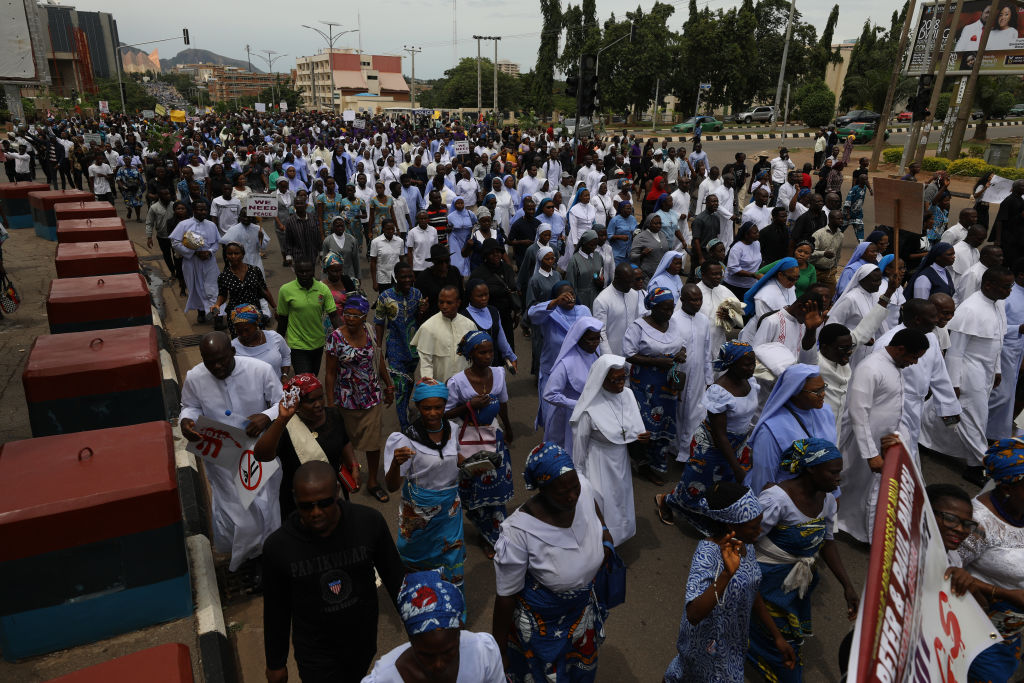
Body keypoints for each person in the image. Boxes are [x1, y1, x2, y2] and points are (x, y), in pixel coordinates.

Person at [262, 461, 404, 683]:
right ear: (294, 498)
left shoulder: (368, 523)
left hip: (362, 642)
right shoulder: (278, 547)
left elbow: (396, 579)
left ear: (337, 492)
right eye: (307, 506)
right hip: (316, 651)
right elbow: (275, 610)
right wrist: (275, 663)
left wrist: (420, 630)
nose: (316, 512)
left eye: (324, 503)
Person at [491, 443, 616, 683]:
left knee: (580, 672)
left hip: (581, 615)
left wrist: (605, 531)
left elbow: (591, 502)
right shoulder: (518, 531)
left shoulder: (583, 489)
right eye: (562, 492)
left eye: (574, 488)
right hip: (543, 629)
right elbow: (506, 594)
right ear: (542, 490)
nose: (572, 496)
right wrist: (500, 649)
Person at [749, 439, 859, 682]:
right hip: (765, 582)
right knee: (777, 644)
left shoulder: (828, 500)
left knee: (774, 635)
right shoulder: (776, 500)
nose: (838, 479)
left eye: (839, 472)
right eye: (833, 472)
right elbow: (746, 540)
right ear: (811, 469)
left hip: (795, 583)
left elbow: (827, 541)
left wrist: (847, 585)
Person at [663, 482, 796, 682]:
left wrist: (777, 636)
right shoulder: (707, 554)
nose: (759, 531)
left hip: (733, 643)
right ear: (731, 525)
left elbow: (752, 591)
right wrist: (726, 574)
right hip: (708, 647)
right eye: (753, 526)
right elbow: (693, 614)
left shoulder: (746, 546)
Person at [179, 332, 283, 570]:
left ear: (233, 352)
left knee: (265, 509)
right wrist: (187, 422)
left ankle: (267, 558)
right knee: (236, 514)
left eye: (222, 360)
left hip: (257, 453)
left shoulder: (260, 370)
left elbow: (282, 403)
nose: (217, 366)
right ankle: (248, 559)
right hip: (221, 455)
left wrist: (265, 417)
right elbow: (190, 406)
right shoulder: (195, 377)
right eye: (210, 361)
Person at [922, 268, 1015, 486]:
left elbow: (997, 341)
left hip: (987, 370)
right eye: (1005, 286)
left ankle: (919, 434)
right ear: (989, 285)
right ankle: (979, 465)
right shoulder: (970, 309)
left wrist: (998, 369)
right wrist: (952, 383)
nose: (1009, 291)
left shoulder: (998, 304)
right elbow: (956, 352)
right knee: (974, 419)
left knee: (943, 412)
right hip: (968, 373)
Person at [837, 329, 930, 542]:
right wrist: (870, 454)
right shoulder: (871, 368)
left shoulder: (894, 365)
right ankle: (850, 529)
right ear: (900, 349)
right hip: (863, 444)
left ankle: (869, 533)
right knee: (856, 487)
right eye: (913, 357)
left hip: (886, 441)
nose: (914, 363)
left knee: (875, 491)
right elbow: (858, 413)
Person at [659, 341, 759, 523]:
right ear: (731, 363)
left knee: (723, 486)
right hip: (712, 446)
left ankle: (714, 519)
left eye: (753, 362)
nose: (752, 367)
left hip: (737, 444)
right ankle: (667, 501)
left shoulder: (750, 381)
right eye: (747, 364)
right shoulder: (719, 392)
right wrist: (736, 467)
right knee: (695, 485)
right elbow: (719, 434)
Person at [384, 379, 466, 592]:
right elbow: (392, 486)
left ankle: (451, 610)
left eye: (438, 407)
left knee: (451, 559)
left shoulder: (454, 430)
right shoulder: (405, 440)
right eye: (426, 408)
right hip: (419, 515)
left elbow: (455, 460)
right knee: (416, 560)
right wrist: (396, 462)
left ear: (445, 405)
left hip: (450, 513)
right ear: (418, 407)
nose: (432, 413)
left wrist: (471, 465)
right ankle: (421, 605)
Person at [957, 439, 1024, 681]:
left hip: (1013, 631)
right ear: (1008, 487)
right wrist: (1003, 593)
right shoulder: (978, 523)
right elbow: (945, 572)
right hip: (979, 626)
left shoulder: (1020, 508)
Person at [362, 570, 505, 682]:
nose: (439, 665)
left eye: (449, 652)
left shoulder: (484, 654)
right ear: (411, 639)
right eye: (426, 655)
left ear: (460, 629)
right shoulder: (385, 678)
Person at [444, 331, 515, 553]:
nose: (487, 356)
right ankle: (486, 533)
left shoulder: (499, 374)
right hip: (470, 441)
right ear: (470, 354)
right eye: (482, 352)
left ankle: (494, 533)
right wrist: (469, 406)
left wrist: (508, 427)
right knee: (477, 489)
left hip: (494, 437)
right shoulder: (457, 382)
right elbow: (444, 414)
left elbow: (502, 403)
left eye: (490, 352)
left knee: (496, 486)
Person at [253, 374, 359, 518]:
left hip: (331, 495)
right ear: (297, 404)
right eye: (311, 401)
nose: (318, 404)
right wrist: (282, 419)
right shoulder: (285, 426)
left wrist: (353, 465)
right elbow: (261, 455)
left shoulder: (334, 415)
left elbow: (345, 441)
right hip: (299, 504)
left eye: (320, 397)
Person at [571, 355, 649, 546]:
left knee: (619, 500)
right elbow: (579, 448)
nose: (621, 383)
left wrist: (642, 438)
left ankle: (617, 538)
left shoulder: (628, 395)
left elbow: (634, 429)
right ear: (602, 380)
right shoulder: (589, 409)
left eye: (624, 377)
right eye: (616, 380)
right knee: (600, 500)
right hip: (598, 461)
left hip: (620, 460)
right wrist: (579, 478)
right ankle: (598, 543)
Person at [325, 293, 394, 505]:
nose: (350, 319)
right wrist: (330, 404)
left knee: (373, 443)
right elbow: (330, 373)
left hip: (371, 396)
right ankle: (348, 475)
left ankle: (373, 481)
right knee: (345, 442)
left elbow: (378, 357)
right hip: (345, 400)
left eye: (356, 315)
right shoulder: (335, 338)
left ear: (364, 317)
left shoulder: (371, 331)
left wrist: (388, 384)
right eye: (347, 314)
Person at [874, 299, 960, 460]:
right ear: (918, 319)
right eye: (933, 316)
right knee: (897, 453)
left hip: (916, 406)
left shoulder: (931, 338)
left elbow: (939, 375)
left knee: (910, 448)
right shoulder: (888, 342)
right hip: (894, 406)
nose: (937, 320)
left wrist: (949, 409)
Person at [623, 287, 687, 484]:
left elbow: (680, 344)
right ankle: (641, 463)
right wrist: (657, 362)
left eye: (671, 309)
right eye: (665, 309)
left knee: (664, 422)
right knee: (645, 424)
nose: (669, 313)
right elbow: (629, 354)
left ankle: (657, 462)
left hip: (667, 384)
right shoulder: (638, 327)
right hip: (645, 384)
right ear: (652, 307)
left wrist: (680, 354)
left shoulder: (673, 323)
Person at [747, 364, 837, 496]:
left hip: (820, 498)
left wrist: (835, 494)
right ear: (794, 392)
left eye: (823, 388)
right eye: (816, 391)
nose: (823, 394)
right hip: (787, 503)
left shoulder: (825, 413)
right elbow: (763, 481)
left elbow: (830, 458)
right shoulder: (770, 429)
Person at [374, 262, 426, 431]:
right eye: (403, 276)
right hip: (395, 347)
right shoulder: (385, 297)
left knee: (409, 382)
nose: (406, 279)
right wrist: (378, 348)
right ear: (396, 277)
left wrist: (422, 311)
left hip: (413, 348)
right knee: (401, 387)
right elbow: (379, 323)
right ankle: (405, 426)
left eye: (409, 276)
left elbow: (419, 322)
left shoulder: (417, 294)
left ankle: (405, 410)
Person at [542, 317, 604, 453]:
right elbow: (549, 394)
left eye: (598, 338)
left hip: (590, 413)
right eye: (591, 339)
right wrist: (576, 405)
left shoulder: (595, 355)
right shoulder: (566, 362)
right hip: (567, 416)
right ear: (579, 338)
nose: (595, 344)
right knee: (567, 452)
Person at [277, 258, 340, 376]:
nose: (305, 275)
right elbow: (282, 320)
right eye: (301, 272)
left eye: (308, 271)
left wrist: (345, 337)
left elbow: (334, 316)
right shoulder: (285, 290)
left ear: (313, 271)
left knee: (313, 377)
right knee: (305, 380)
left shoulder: (323, 289)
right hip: (297, 344)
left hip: (318, 343)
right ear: (295, 271)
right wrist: (277, 343)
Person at [411, 285, 478, 383]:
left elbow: (474, 357)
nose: (444, 306)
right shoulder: (428, 327)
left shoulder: (469, 325)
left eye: (449, 303)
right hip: (440, 387)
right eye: (441, 302)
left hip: (465, 385)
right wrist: (430, 386)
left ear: (458, 303)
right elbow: (426, 363)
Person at [988, 259, 1024, 439]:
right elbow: (996, 324)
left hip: (1018, 351)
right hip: (1005, 350)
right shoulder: (1007, 296)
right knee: (999, 395)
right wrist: (1018, 328)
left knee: (1008, 396)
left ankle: (995, 434)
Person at [170, 199, 220, 322]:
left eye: (205, 210)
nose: (203, 212)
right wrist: (193, 252)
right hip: (192, 262)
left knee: (212, 286)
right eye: (200, 209)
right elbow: (175, 242)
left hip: (209, 262)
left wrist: (209, 252)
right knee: (196, 287)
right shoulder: (184, 225)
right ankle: (201, 312)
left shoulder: (211, 225)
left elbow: (216, 242)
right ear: (193, 210)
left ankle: (216, 314)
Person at [211, 242, 275, 335]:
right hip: (236, 316)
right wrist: (217, 305)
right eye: (229, 254)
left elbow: (264, 290)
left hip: (254, 313)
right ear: (226, 255)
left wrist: (275, 308)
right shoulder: (224, 276)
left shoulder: (254, 270)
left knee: (257, 340)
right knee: (240, 343)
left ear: (243, 254)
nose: (233, 256)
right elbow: (222, 294)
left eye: (236, 253)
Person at [469, 238, 522, 352]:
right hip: (487, 319)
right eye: (492, 253)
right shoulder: (478, 274)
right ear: (486, 255)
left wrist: (516, 313)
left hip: (505, 316)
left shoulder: (507, 269)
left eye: (498, 252)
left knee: (507, 350)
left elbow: (512, 290)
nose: (496, 255)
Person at [593, 262, 646, 356]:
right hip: (613, 353)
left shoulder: (633, 294)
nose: (630, 285)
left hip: (632, 353)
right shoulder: (602, 300)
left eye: (632, 281)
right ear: (617, 278)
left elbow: (636, 323)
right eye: (627, 282)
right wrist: (609, 359)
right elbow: (601, 333)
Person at [230, 304, 291, 380]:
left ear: (256, 324)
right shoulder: (232, 348)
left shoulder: (274, 338)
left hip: (277, 389)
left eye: (247, 330)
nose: (244, 334)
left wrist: (284, 375)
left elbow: (286, 356)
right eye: (239, 331)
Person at [416, 244, 464, 318]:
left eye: (447, 261)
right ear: (433, 262)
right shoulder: (423, 277)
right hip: (434, 318)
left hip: (455, 316)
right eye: (440, 262)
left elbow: (461, 296)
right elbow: (421, 306)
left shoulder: (454, 271)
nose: (444, 265)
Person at [565, 230, 605, 310]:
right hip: (581, 299)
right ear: (584, 243)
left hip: (597, 297)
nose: (594, 248)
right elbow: (570, 284)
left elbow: (601, 274)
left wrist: (601, 282)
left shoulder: (598, 257)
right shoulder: (575, 260)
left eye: (595, 245)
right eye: (591, 245)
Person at [724, 222, 762, 300]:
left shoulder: (757, 244)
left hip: (751, 285)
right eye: (755, 233)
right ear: (746, 235)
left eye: (758, 231)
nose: (758, 234)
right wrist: (753, 275)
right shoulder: (737, 248)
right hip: (735, 286)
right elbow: (733, 269)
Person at [607, 200, 638, 264]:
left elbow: (636, 230)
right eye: (627, 209)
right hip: (617, 253)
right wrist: (619, 237)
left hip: (629, 252)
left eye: (630, 209)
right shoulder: (614, 220)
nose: (630, 210)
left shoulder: (633, 219)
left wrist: (635, 234)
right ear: (621, 209)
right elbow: (608, 236)